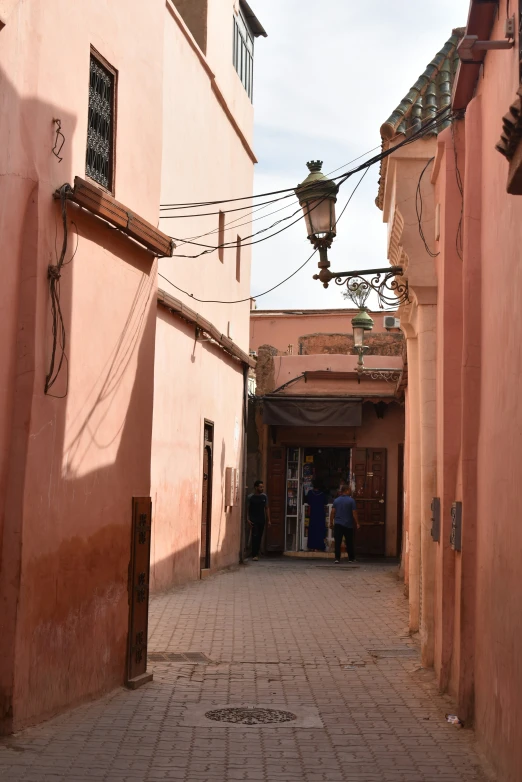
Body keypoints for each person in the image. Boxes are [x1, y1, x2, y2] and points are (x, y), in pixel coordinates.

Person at [330, 484, 359, 563]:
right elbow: (354, 512)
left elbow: (332, 512)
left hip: (338, 524)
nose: (350, 491)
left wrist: (331, 522)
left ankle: (337, 558)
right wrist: (357, 522)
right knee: (349, 542)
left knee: (338, 542)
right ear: (346, 491)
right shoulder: (351, 501)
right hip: (348, 524)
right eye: (349, 490)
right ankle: (351, 558)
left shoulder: (336, 500)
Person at [247, 480, 270, 561]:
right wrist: (248, 519)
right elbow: (247, 508)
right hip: (253, 519)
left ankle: (257, 551)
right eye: (260, 487)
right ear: (256, 487)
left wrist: (268, 520)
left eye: (262, 487)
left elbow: (266, 508)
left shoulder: (264, 497)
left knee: (259, 536)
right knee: (255, 536)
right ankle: (254, 554)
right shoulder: (250, 497)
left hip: (261, 519)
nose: (262, 488)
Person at [305, 480, 327, 552]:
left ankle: (312, 546)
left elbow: (308, 502)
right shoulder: (322, 494)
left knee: (312, 530)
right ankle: (319, 546)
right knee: (320, 530)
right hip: (320, 514)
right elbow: (325, 502)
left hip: (313, 514)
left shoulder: (310, 493)